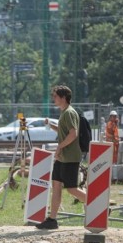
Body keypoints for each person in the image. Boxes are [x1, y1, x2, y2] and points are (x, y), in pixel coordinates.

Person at [36, 85, 87, 230]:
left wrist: (59, 147)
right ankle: (52, 219)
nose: (53, 98)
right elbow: (64, 131)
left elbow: (73, 134)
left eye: (55, 96)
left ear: (63, 98)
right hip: (62, 158)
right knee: (56, 185)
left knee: (72, 189)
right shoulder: (64, 112)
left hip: (70, 157)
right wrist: (51, 125)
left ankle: (98, 206)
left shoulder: (69, 113)